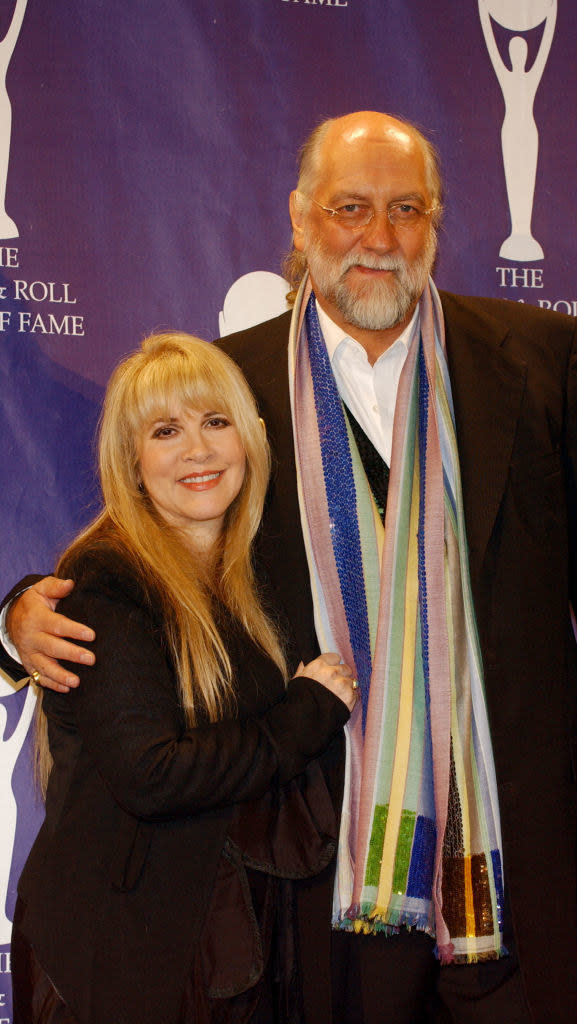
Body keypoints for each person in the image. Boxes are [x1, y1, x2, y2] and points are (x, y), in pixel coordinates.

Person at [3, 112, 577, 1023]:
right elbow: (142, 553)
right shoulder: (232, 388)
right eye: (349, 207)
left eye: (407, 210)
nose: (379, 237)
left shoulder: (541, 360)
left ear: (435, 221)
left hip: (506, 854)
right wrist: (17, 620)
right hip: (315, 861)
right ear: (300, 219)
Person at [7, 332, 356, 1024]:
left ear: (250, 439)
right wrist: (305, 714)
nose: (198, 450)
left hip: (216, 941)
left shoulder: (252, 573)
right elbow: (152, 775)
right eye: (166, 431)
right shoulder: (108, 583)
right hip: (119, 957)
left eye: (215, 421)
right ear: (132, 463)